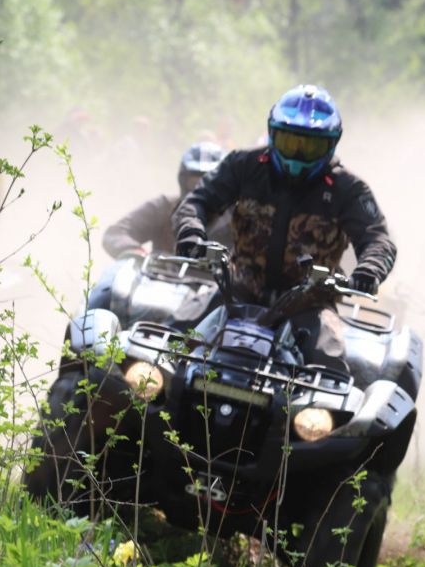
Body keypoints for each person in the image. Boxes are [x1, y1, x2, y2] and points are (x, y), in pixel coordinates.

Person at [172, 85, 396, 372]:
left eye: (311, 146)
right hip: (236, 291)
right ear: (272, 134)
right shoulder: (243, 165)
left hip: (310, 305)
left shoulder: (349, 189)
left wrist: (368, 271)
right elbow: (196, 202)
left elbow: (378, 239)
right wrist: (191, 232)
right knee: (166, 345)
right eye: (290, 142)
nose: (298, 155)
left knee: (331, 372)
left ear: (331, 144)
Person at [102, 141, 233, 259]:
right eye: (195, 182)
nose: (202, 189)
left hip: (222, 284)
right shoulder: (164, 206)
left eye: (209, 182)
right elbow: (116, 233)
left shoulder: (237, 215)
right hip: (161, 282)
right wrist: (137, 253)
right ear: (183, 180)